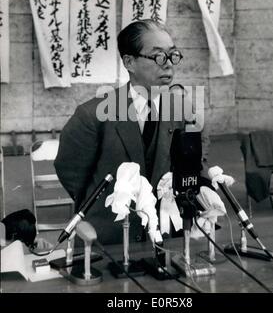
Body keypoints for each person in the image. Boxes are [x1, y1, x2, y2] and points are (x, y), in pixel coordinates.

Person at [54, 19, 209, 245]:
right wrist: (105, 206)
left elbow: (194, 166)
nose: (168, 65)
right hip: (107, 240)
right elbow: (71, 172)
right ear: (129, 62)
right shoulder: (93, 114)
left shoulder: (183, 112)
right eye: (158, 56)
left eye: (172, 55)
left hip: (165, 237)